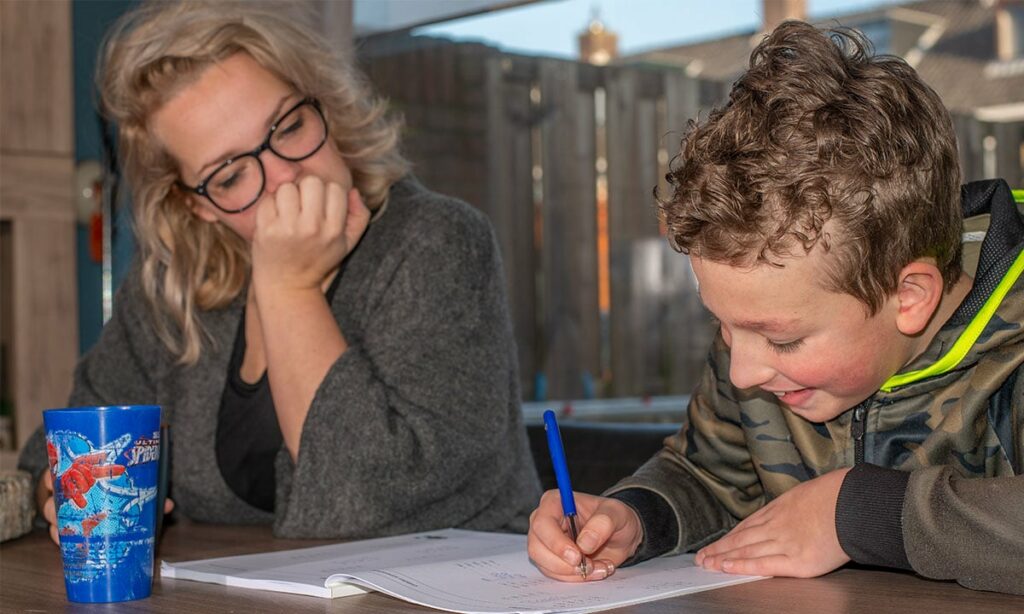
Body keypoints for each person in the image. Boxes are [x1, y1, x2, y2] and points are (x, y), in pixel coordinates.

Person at [527, 21, 1023, 594]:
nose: (743, 371)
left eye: (783, 340)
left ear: (909, 297)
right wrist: (636, 518)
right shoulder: (759, 336)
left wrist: (860, 513)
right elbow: (710, 474)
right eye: (723, 325)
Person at [19, 0, 541, 542]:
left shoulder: (438, 241)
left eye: (288, 126)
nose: (285, 176)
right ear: (197, 205)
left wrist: (287, 287)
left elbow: (372, 505)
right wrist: (59, 494)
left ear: (327, 108)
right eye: (230, 174)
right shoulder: (175, 290)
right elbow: (53, 454)